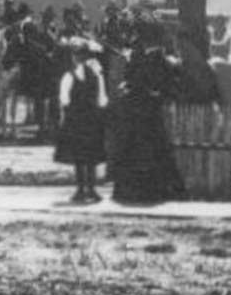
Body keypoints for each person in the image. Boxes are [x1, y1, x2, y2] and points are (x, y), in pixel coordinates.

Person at [109, 21, 185, 205]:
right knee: (140, 150)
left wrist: (157, 93)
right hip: (137, 109)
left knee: (149, 150)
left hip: (149, 110)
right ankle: (137, 191)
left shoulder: (161, 60)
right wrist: (126, 86)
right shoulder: (139, 57)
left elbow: (170, 86)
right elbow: (130, 78)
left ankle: (148, 191)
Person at [55, 38, 109, 204]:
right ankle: (91, 189)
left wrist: (64, 117)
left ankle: (80, 190)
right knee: (91, 156)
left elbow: (64, 100)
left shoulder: (68, 76)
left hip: (75, 120)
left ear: (74, 57)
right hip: (92, 119)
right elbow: (102, 100)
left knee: (79, 156)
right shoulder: (97, 76)